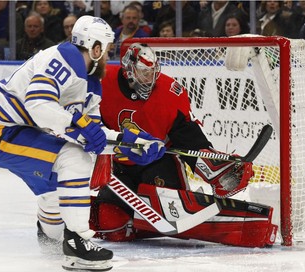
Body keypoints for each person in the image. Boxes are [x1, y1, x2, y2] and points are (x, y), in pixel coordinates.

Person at [0, 16, 165, 272]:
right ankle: (78, 242)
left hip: (22, 132)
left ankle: (53, 237)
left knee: (54, 190)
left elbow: (92, 136)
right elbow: (39, 104)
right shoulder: (66, 57)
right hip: (1, 130)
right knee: (73, 158)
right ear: (95, 48)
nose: (107, 55)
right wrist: (79, 123)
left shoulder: (91, 82)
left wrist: (132, 143)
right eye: (106, 48)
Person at [91, 42, 277, 247]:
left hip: (158, 164)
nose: (149, 78)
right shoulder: (102, 82)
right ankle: (136, 223)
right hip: (118, 169)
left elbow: (189, 139)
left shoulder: (169, 93)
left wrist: (215, 170)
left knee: (167, 211)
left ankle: (148, 220)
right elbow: (92, 125)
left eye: (153, 72)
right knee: (110, 226)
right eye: (144, 72)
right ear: (128, 70)